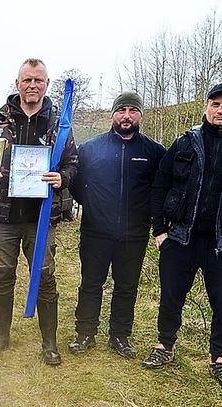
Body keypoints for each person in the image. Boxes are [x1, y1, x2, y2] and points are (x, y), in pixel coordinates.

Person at [0, 58, 78, 365]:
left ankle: (49, 342)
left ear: (47, 84)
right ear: (17, 83)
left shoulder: (60, 122)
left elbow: (73, 162)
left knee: (45, 276)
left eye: (38, 80)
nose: (32, 85)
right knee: (3, 275)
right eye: (27, 80)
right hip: (2, 216)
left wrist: (64, 178)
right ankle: (1, 335)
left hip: (42, 217)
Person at [69, 92, 166, 358]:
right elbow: (77, 186)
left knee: (126, 286)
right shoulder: (91, 149)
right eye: (121, 110)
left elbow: (160, 190)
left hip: (133, 234)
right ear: (113, 114)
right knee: (91, 282)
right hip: (95, 232)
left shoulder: (155, 152)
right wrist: (94, 207)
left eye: (132, 111)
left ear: (140, 115)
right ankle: (85, 332)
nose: (126, 116)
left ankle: (120, 336)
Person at [143, 83, 222, 386]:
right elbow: (160, 185)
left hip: (218, 243)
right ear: (206, 106)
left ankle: (218, 357)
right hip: (180, 237)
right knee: (171, 295)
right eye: (215, 103)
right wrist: (160, 230)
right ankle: (165, 345)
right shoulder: (186, 142)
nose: (220, 110)